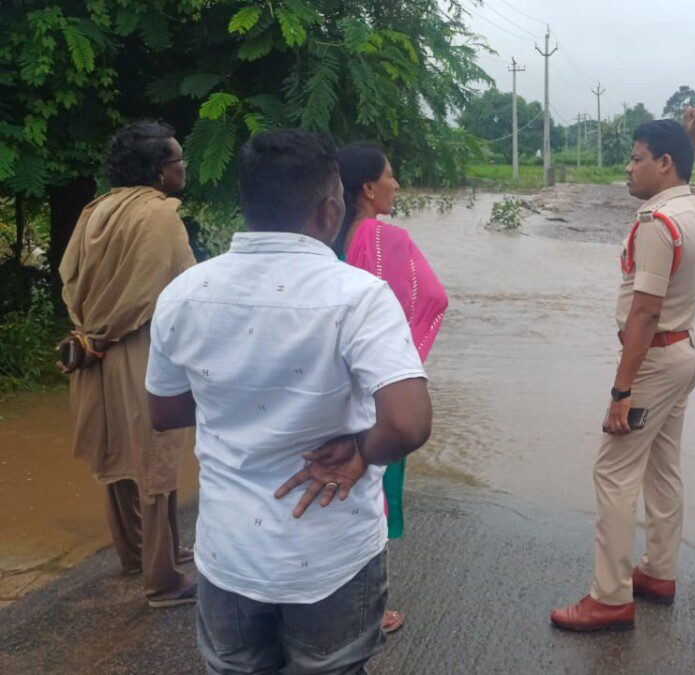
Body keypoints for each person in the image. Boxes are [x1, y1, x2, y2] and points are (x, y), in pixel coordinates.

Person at [145, 129, 432, 673]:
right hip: (331, 553)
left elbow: (164, 412)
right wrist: (359, 449)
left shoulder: (185, 292)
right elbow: (408, 422)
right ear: (330, 210)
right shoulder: (358, 296)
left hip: (229, 553)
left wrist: (236, 400)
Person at [551, 105, 695, 632]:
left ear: (664, 165)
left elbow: (645, 312)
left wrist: (620, 391)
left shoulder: (660, 222)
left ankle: (609, 597)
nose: (628, 169)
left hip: (654, 361)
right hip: (687, 354)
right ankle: (659, 572)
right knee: (663, 467)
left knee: (613, 471)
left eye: (636, 160)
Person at [58, 120, 197, 608]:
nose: (184, 167)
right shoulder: (161, 217)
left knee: (120, 454)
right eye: (178, 160)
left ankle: (139, 553)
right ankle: (163, 581)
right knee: (156, 459)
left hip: (95, 349)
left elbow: (69, 280)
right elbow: (182, 290)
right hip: (141, 348)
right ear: (160, 173)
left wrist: (92, 333)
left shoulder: (95, 211)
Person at [335, 141, 449, 634]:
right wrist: (407, 358)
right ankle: (370, 609)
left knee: (332, 489)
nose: (396, 184)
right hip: (377, 392)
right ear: (367, 187)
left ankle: (328, 596)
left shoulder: (328, 239)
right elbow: (433, 298)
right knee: (371, 490)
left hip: (331, 387)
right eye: (390, 175)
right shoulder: (384, 239)